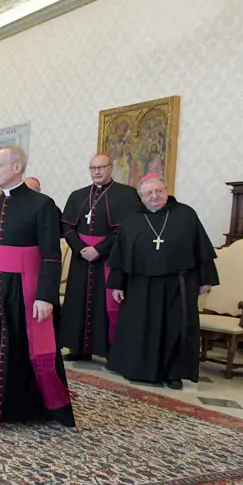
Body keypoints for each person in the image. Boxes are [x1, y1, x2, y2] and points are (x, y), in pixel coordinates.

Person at [0, 145, 75, 436]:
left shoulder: (42, 204)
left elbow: (51, 254)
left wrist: (46, 296)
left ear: (17, 167)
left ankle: (35, 408)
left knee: (29, 347)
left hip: (26, 287)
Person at [106, 175, 218, 388]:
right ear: (140, 196)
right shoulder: (131, 219)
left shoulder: (186, 214)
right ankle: (140, 370)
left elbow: (201, 247)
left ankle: (172, 373)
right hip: (139, 284)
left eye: (159, 191)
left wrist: (206, 279)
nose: (154, 196)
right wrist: (117, 284)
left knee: (175, 329)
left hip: (178, 283)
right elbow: (120, 254)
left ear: (167, 190)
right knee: (141, 327)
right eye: (148, 193)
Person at [59, 153, 140, 361]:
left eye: (101, 167)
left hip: (109, 257)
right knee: (78, 302)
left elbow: (126, 229)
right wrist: (80, 248)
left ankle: (109, 350)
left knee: (105, 304)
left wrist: (99, 249)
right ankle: (78, 348)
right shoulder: (78, 195)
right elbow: (67, 225)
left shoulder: (127, 195)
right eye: (93, 168)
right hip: (81, 258)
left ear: (111, 168)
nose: (97, 172)